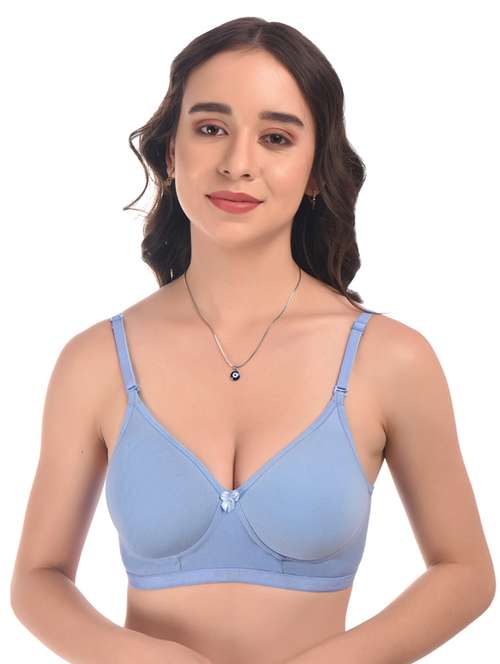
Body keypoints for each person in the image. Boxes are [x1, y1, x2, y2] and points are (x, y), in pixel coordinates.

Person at [10, 16, 495, 664]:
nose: (238, 163)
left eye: (276, 138)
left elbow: (465, 572)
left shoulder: (391, 360)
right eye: (211, 128)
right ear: (171, 152)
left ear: (316, 170)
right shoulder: (95, 361)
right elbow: (36, 579)